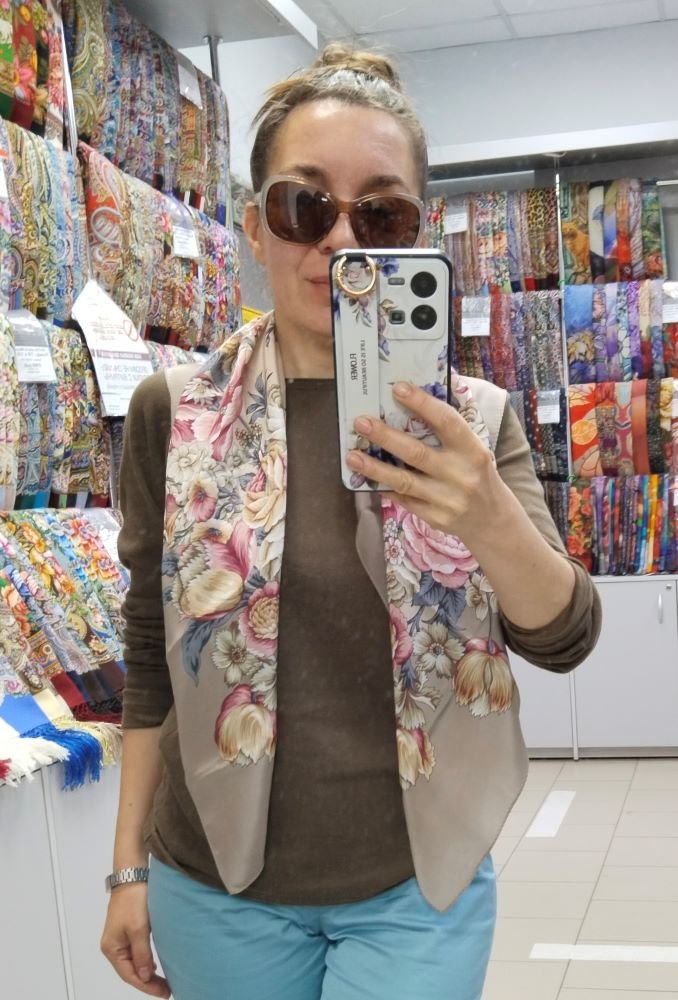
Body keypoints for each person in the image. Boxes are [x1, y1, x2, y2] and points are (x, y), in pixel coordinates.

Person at [101, 43, 601, 1000]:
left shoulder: (471, 419)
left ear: (417, 233)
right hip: (215, 882)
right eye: (304, 206)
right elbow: (152, 652)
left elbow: (566, 635)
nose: (338, 242)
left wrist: (485, 511)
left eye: (380, 214)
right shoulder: (176, 413)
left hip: (417, 881)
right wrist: (127, 869)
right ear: (255, 226)